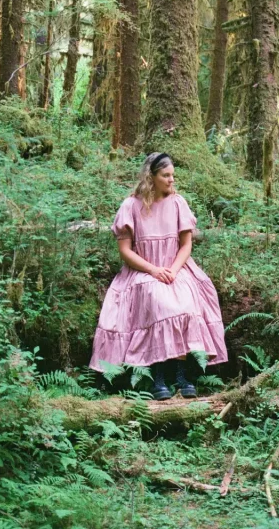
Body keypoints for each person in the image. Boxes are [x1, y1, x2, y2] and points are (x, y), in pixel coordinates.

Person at [89, 151, 228, 399]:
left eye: (173, 175)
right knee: (157, 300)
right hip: (142, 269)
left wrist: (173, 270)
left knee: (186, 302)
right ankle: (158, 376)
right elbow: (125, 251)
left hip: (176, 267)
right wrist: (153, 270)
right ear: (150, 177)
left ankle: (182, 374)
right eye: (166, 175)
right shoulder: (131, 205)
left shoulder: (177, 203)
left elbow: (186, 245)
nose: (171, 180)